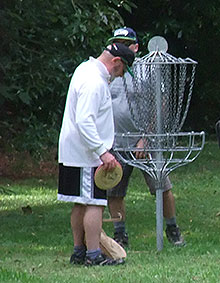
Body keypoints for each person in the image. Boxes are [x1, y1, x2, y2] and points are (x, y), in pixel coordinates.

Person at [105, 27, 185, 248]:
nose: (119, 47)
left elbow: (161, 103)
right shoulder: (108, 71)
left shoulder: (146, 70)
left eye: (125, 43)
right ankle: (120, 234)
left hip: (144, 142)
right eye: (116, 43)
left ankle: (172, 228)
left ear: (136, 47)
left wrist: (146, 138)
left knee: (162, 186)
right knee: (114, 191)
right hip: (115, 142)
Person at [58, 43, 135, 266]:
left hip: (75, 149)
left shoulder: (84, 68)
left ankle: (79, 251)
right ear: (116, 62)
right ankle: (93, 255)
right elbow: (85, 120)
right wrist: (103, 152)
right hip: (87, 152)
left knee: (80, 202)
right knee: (94, 202)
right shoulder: (95, 82)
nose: (119, 76)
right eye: (121, 70)